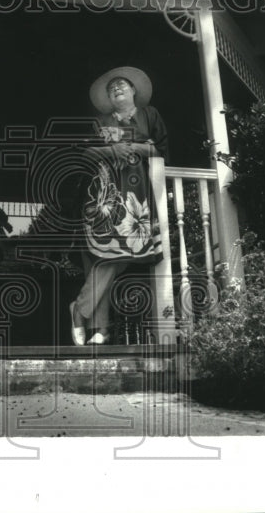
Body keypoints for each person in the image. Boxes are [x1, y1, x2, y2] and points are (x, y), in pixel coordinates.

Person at [69, 66, 168, 345]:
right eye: (112, 87)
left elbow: (161, 150)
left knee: (116, 257)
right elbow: (86, 153)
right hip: (103, 196)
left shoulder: (150, 115)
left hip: (137, 200)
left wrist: (134, 147)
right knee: (105, 256)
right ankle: (100, 329)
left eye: (122, 84)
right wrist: (112, 149)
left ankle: (79, 311)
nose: (117, 88)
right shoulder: (100, 122)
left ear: (134, 90)